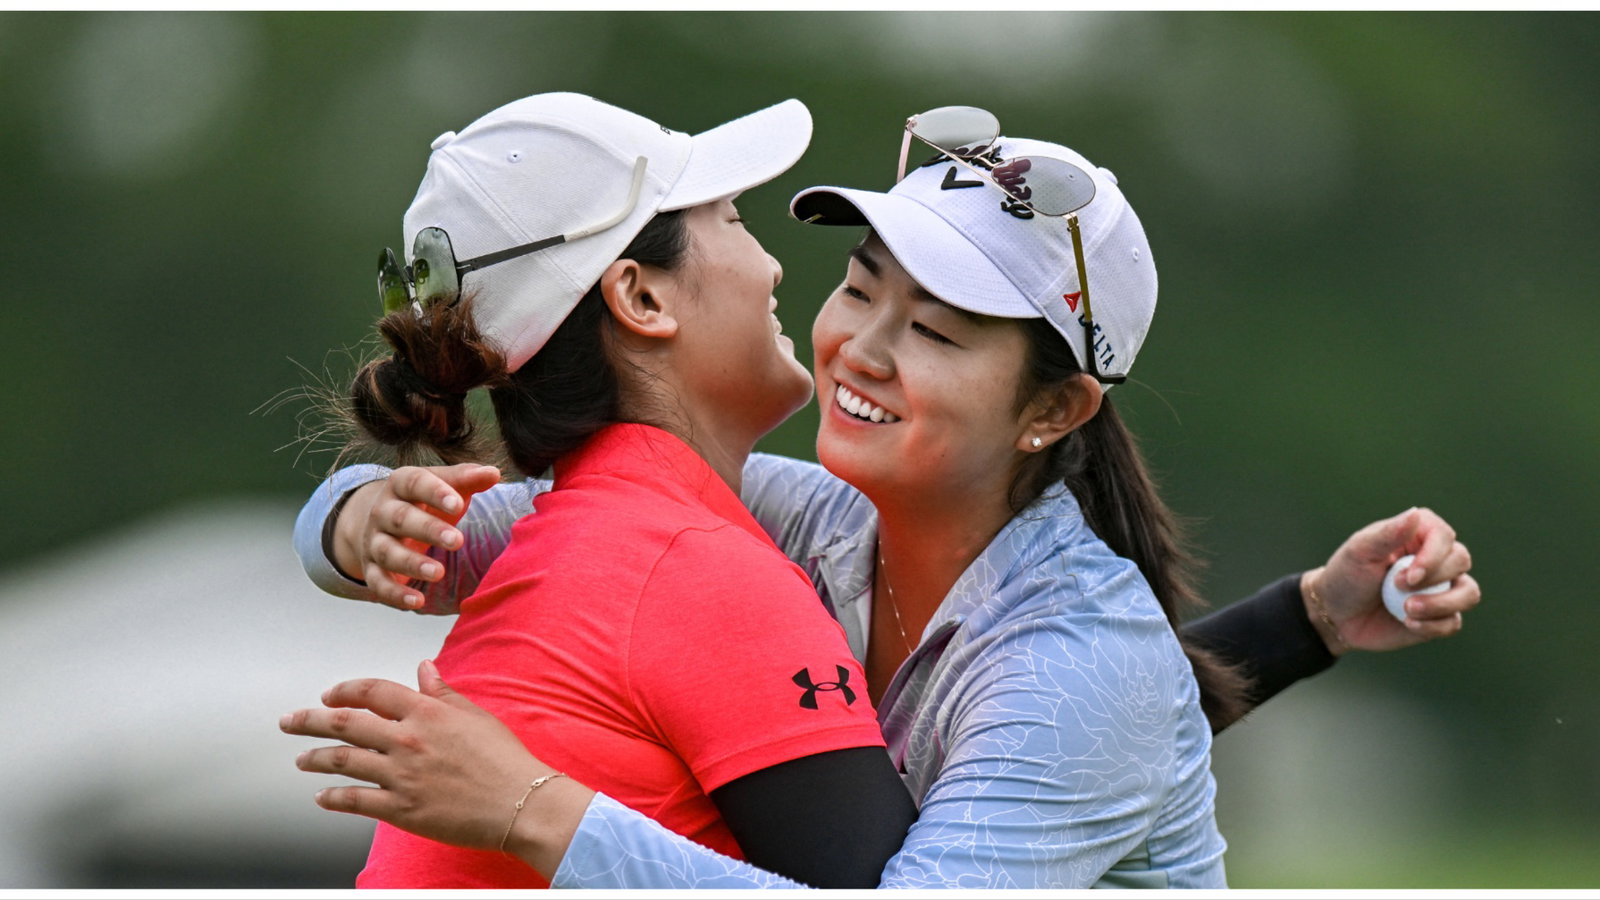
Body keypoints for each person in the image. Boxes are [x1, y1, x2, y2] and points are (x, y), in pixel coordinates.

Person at [283, 106, 1480, 889]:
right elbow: (461, 541)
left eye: (940, 335)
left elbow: (1077, 703)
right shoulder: (796, 516)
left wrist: (535, 810)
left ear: (1052, 412)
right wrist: (347, 521)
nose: (862, 348)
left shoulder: (1084, 665)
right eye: (861, 290)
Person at [306, 91, 924, 889]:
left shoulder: (591, 542)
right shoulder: (692, 566)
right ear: (641, 297)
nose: (772, 265)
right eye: (733, 221)